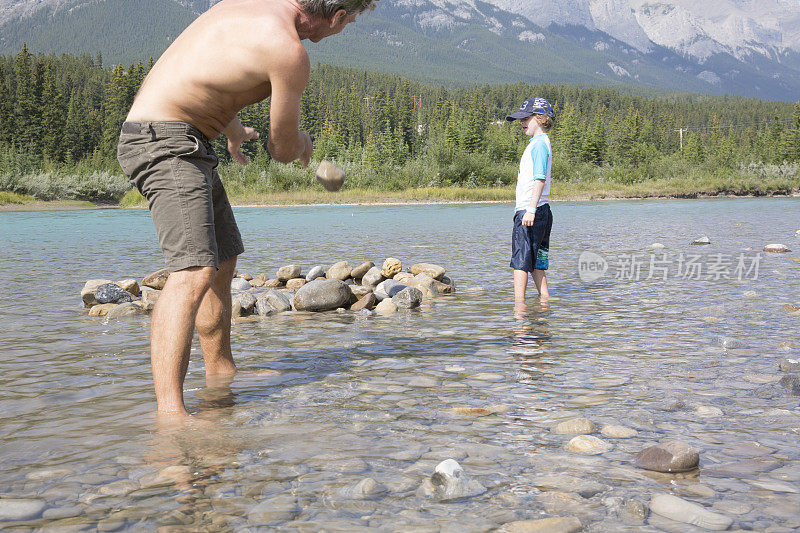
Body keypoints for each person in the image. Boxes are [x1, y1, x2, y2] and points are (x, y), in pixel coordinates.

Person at [117, 0, 378, 418]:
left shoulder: (252, 7)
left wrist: (233, 128)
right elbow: (281, 148)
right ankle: (171, 416)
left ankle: (221, 372)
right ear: (340, 14)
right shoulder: (289, 51)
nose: (345, 29)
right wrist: (303, 144)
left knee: (222, 259)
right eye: (350, 21)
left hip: (181, 137)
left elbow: (208, 65)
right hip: (164, 141)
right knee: (193, 271)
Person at [506, 97, 556, 301]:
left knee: (521, 260)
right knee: (536, 261)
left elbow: (540, 179)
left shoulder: (538, 145)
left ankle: (519, 306)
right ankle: (544, 301)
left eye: (526, 118)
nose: (521, 122)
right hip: (542, 210)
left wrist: (530, 209)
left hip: (531, 211)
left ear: (541, 118)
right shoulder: (541, 143)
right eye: (520, 119)